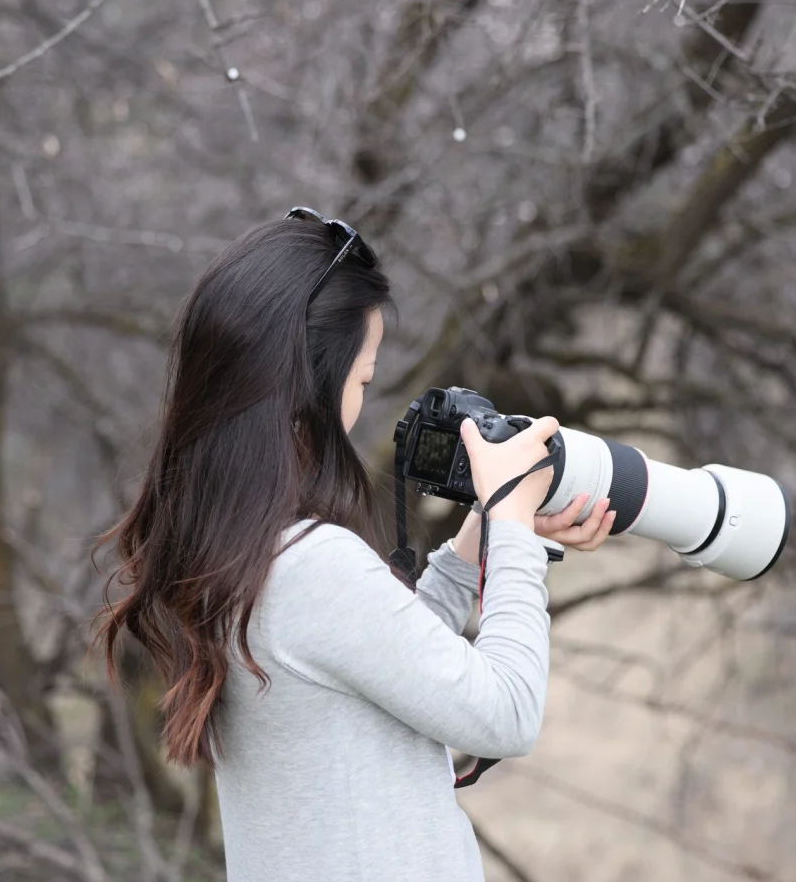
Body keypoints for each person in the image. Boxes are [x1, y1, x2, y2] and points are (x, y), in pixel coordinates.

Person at [95, 209, 615, 882]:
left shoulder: (237, 553)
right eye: (362, 378)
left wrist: (476, 542)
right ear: (311, 379)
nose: (361, 400)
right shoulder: (309, 565)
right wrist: (513, 526)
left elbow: (384, 668)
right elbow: (506, 713)